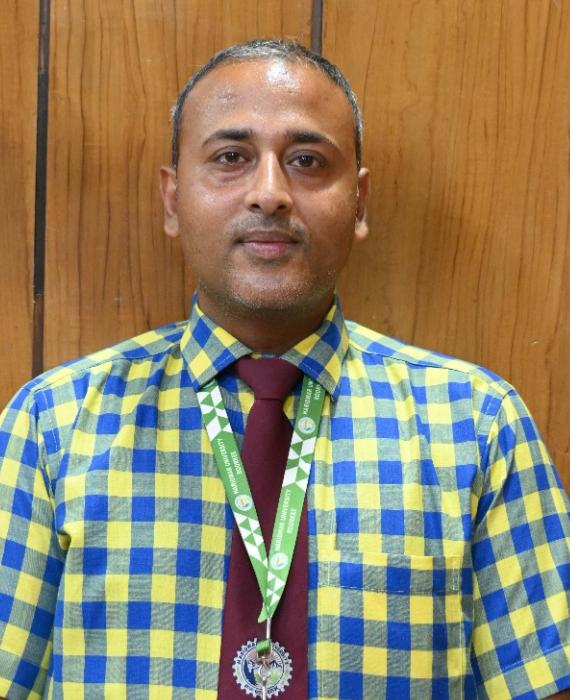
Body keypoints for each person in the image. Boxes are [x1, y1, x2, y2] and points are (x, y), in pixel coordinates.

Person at [0, 39, 569, 700]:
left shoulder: (477, 426)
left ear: (359, 202)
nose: (269, 193)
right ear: (172, 199)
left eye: (306, 161)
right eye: (231, 158)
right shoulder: (54, 425)